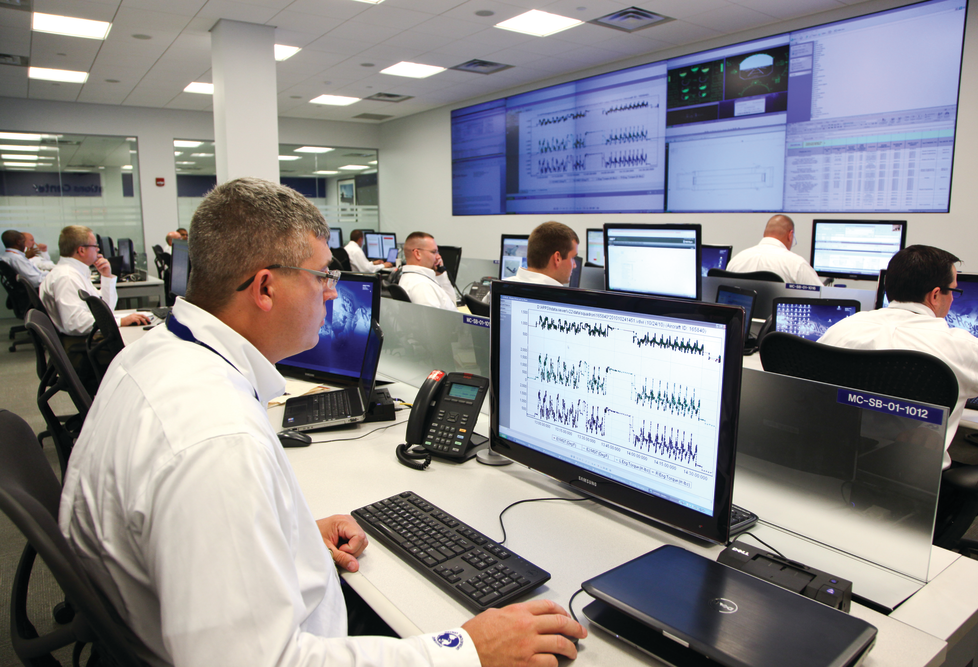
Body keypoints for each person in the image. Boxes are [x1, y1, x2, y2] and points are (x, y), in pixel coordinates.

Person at [58, 178, 585, 667]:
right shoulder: (218, 443)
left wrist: (286, 535)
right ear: (265, 288)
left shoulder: (153, 355)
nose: (333, 293)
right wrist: (466, 650)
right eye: (322, 276)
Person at [818, 245, 978, 468]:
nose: (952, 298)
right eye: (952, 290)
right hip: (917, 485)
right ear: (935, 295)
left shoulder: (841, 329)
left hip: (834, 467)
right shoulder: (962, 347)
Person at [39, 225, 149, 337]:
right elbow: (75, 324)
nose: (98, 249)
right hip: (83, 340)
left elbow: (106, 308)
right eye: (95, 246)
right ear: (81, 250)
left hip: (90, 335)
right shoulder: (67, 278)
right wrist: (120, 321)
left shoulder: (76, 272)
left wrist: (106, 276)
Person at [726, 215, 823, 286]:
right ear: (790, 235)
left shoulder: (736, 260)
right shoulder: (796, 264)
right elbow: (823, 298)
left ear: (765, 233)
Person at [398, 232, 459, 311]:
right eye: (433, 252)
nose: (439, 256)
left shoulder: (411, 277)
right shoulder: (423, 285)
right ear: (417, 253)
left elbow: (452, 304)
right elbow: (432, 322)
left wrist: (440, 274)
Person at [506, 221, 578, 287]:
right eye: (573, 258)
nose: (575, 265)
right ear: (557, 258)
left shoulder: (501, 286)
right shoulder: (561, 298)